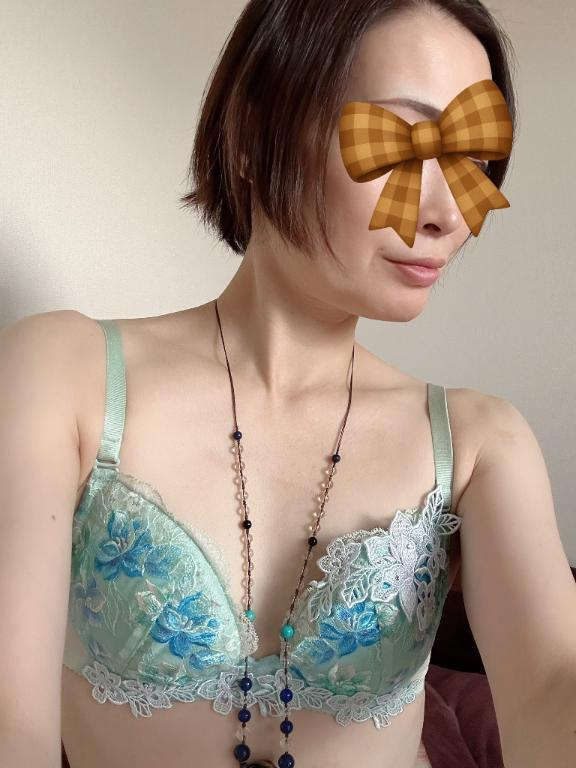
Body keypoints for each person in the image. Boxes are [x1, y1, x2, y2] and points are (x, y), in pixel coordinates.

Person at [1, 2, 575, 768]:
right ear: (252, 135)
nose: (446, 214)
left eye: (470, 160)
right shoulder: (65, 371)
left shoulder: (477, 442)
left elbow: (551, 685)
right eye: (400, 145)